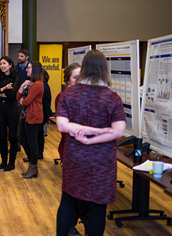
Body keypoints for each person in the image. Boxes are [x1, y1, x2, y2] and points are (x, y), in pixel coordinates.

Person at [56, 50, 126, 236]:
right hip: (102, 160)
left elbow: (62, 126)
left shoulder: (68, 94)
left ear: (84, 68)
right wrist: (96, 134)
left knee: (68, 202)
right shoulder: (112, 97)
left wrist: (84, 138)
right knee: (97, 208)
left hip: (74, 157)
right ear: (105, 69)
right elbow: (118, 131)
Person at [56, 63, 84, 235]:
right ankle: (69, 228)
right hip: (70, 149)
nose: (80, 80)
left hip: (83, 151)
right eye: (75, 77)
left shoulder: (85, 97)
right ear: (67, 81)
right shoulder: (63, 96)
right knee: (72, 195)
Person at [0, 56, 20, 171]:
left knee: (13, 136)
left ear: (10, 65)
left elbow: (14, 95)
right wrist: (4, 89)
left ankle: (11, 161)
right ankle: (3, 160)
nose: (2, 66)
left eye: (4, 63)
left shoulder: (16, 77)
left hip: (12, 109)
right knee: (2, 136)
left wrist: (1, 93)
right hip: (0, 109)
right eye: (0, 64)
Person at [17, 61, 44, 178]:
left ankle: (33, 167)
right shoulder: (29, 83)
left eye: (29, 68)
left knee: (32, 142)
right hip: (25, 115)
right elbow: (18, 97)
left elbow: (26, 101)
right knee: (22, 139)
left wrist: (21, 102)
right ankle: (33, 165)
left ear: (35, 70)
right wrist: (22, 85)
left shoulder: (38, 84)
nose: (26, 70)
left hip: (33, 116)